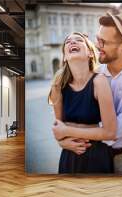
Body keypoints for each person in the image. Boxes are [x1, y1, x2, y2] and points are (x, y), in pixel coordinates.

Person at [53, 11, 122, 174]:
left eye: (103, 42)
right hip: (97, 153)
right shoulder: (96, 73)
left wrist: (69, 130)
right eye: (97, 38)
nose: (97, 45)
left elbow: (116, 130)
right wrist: (63, 142)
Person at [48, 32, 117, 174]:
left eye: (79, 40)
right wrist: (62, 142)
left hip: (96, 156)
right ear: (65, 57)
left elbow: (110, 132)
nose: (72, 42)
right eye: (68, 42)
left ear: (90, 53)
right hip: (70, 155)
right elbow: (58, 128)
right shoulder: (58, 85)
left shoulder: (99, 81)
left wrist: (67, 131)